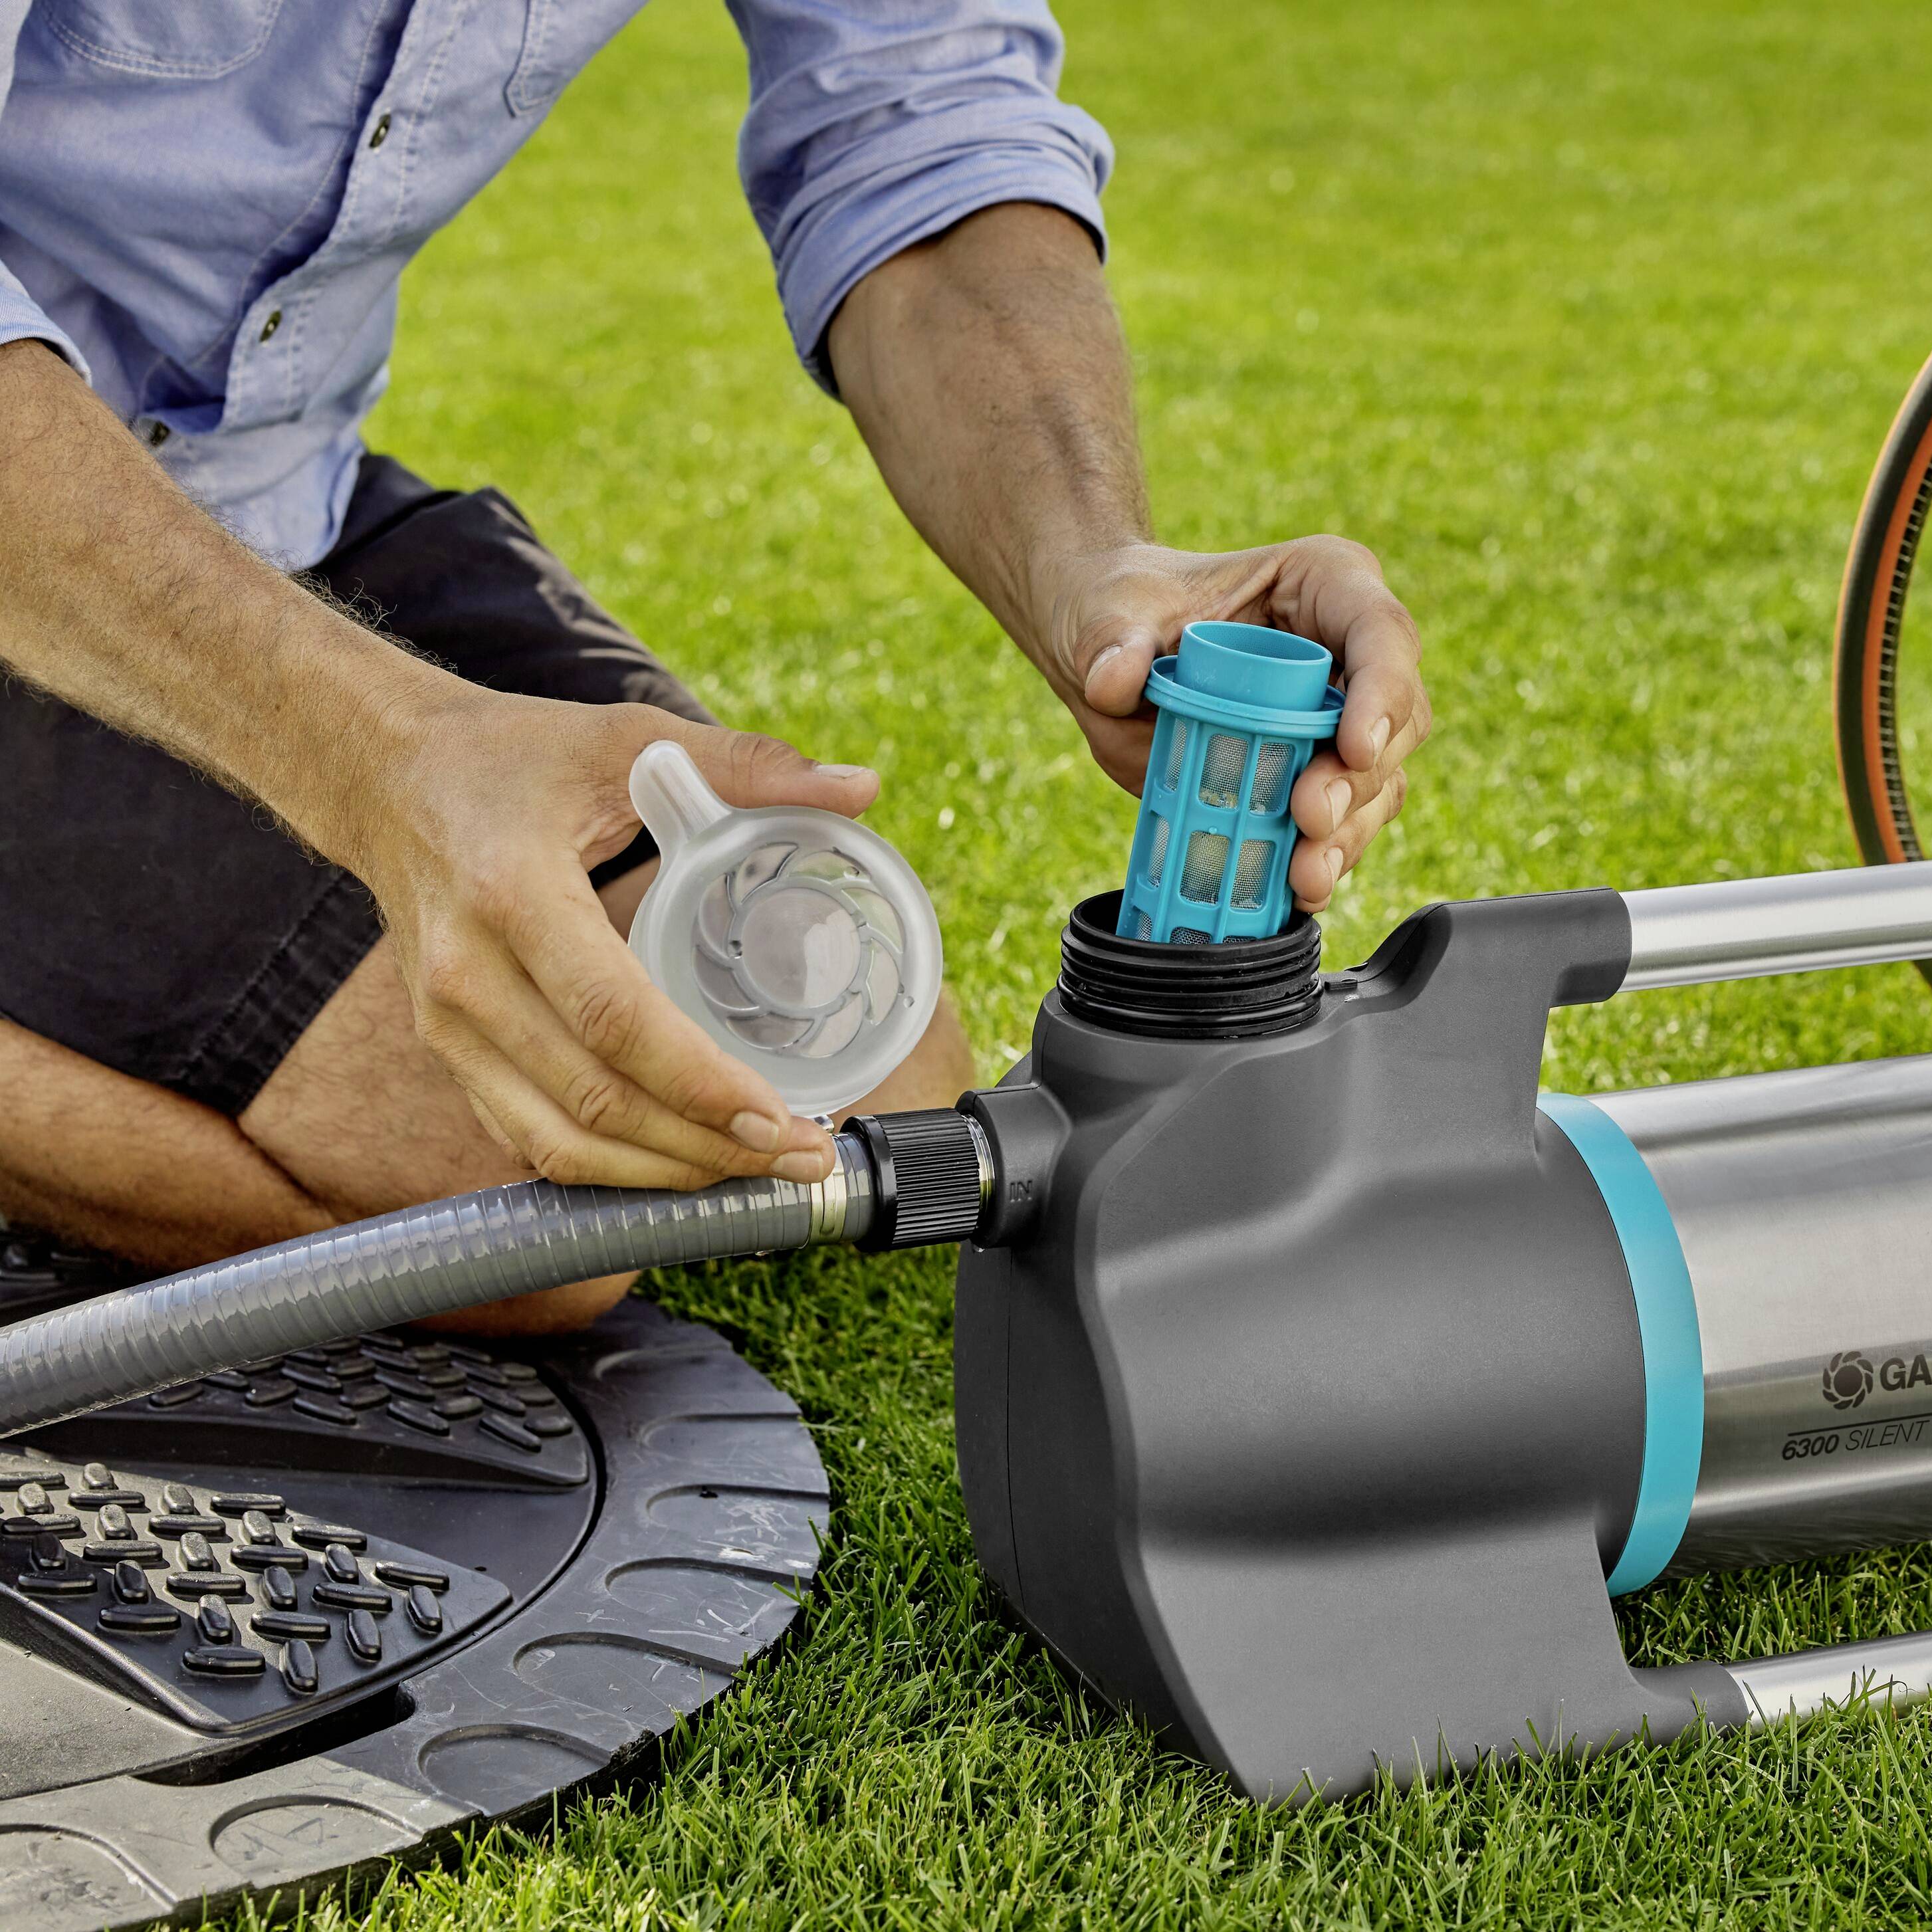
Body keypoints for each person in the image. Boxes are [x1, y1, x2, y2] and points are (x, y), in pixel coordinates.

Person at [0, 0, 1429, 1332]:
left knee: (837, 1059)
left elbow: (914, 127)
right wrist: (385, 756)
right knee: (509, 1203)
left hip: (270, 490)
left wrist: (1095, 567)